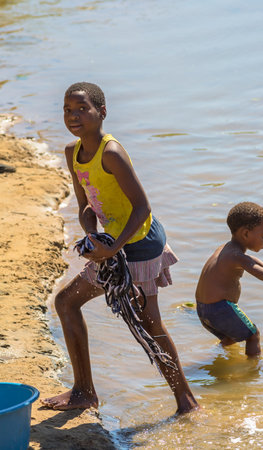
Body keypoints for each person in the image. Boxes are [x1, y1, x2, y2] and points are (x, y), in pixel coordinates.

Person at [41, 82, 198, 414]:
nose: (74, 116)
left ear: (102, 113)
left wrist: (112, 250)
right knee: (67, 303)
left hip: (139, 244)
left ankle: (187, 401)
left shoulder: (111, 153)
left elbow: (142, 207)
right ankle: (84, 391)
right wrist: (91, 237)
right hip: (113, 244)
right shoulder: (73, 153)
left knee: (149, 323)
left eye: (82, 109)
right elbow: (85, 206)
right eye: (68, 109)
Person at [195, 202, 263, 357]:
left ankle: (217, 357)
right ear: (245, 234)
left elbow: (249, 260)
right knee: (253, 334)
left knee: (231, 337)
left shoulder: (227, 249)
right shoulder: (237, 256)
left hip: (204, 309)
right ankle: (254, 370)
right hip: (220, 309)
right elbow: (262, 275)